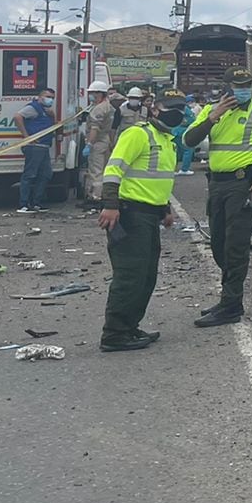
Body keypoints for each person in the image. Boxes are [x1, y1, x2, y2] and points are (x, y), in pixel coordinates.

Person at [182, 68, 252, 328]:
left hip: (244, 184)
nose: (244, 90)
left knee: (235, 246)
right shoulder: (210, 110)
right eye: (239, 86)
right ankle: (228, 300)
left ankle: (231, 304)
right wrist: (213, 117)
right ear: (227, 87)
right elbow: (188, 141)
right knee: (218, 243)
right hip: (217, 185)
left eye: (248, 86)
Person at [97, 89, 186, 352]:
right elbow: (113, 170)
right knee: (130, 275)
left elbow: (159, 179)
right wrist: (110, 205)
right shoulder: (138, 134)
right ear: (154, 109)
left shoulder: (167, 140)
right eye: (171, 108)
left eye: (180, 109)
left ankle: (129, 326)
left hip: (149, 215)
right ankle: (114, 334)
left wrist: (165, 208)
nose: (177, 113)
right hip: (129, 213)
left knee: (146, 276)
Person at [14, 86, 57, 214]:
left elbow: (53, 126)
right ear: (40, 97)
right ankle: (24, 205)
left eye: (52, 98)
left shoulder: (47, 111)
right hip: (34, 147)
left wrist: (53, 116)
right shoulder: (33, 108)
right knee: (30, 175)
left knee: (46, 174)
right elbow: (17, 116)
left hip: (44, 147)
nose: (50, 100)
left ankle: (36, 203)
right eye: (48, 97)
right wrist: (27, 136)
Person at [82, 80, 116, 207]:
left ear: (99, 94)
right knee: (104, 170)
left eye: (93, 93)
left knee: (95, 171)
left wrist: (89, 144)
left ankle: (96, 198)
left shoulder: (98, 109)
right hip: (106, 141)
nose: (90, 95)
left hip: (97, 142)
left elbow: (94, 128)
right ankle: (102, 195)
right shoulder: (109, 107)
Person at [174, 100, 198, 174]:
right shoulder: (185, 109)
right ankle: (184, 169)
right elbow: (192, 120)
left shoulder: (175, 108)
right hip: (183, 132)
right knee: (188, 150)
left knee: (176, 152)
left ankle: (173, 169)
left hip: (175, 131)